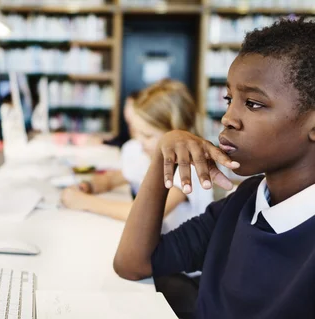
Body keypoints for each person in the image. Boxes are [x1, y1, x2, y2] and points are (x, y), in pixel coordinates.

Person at [114, 18, 315, 319]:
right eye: (229, 99)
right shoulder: (245, 200)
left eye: (253, 104)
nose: (228, 118)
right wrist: (162, 158)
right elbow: (133, 264)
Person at [61, 79, 212, 234]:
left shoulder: (189, 169)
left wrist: (84, 202)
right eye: (136, 131)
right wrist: (90, 186)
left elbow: (144, 216)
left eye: (147, 135)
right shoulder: (146, 153)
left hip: (185, 253)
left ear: (176, 133)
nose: (139, 141)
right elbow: (115, 178)